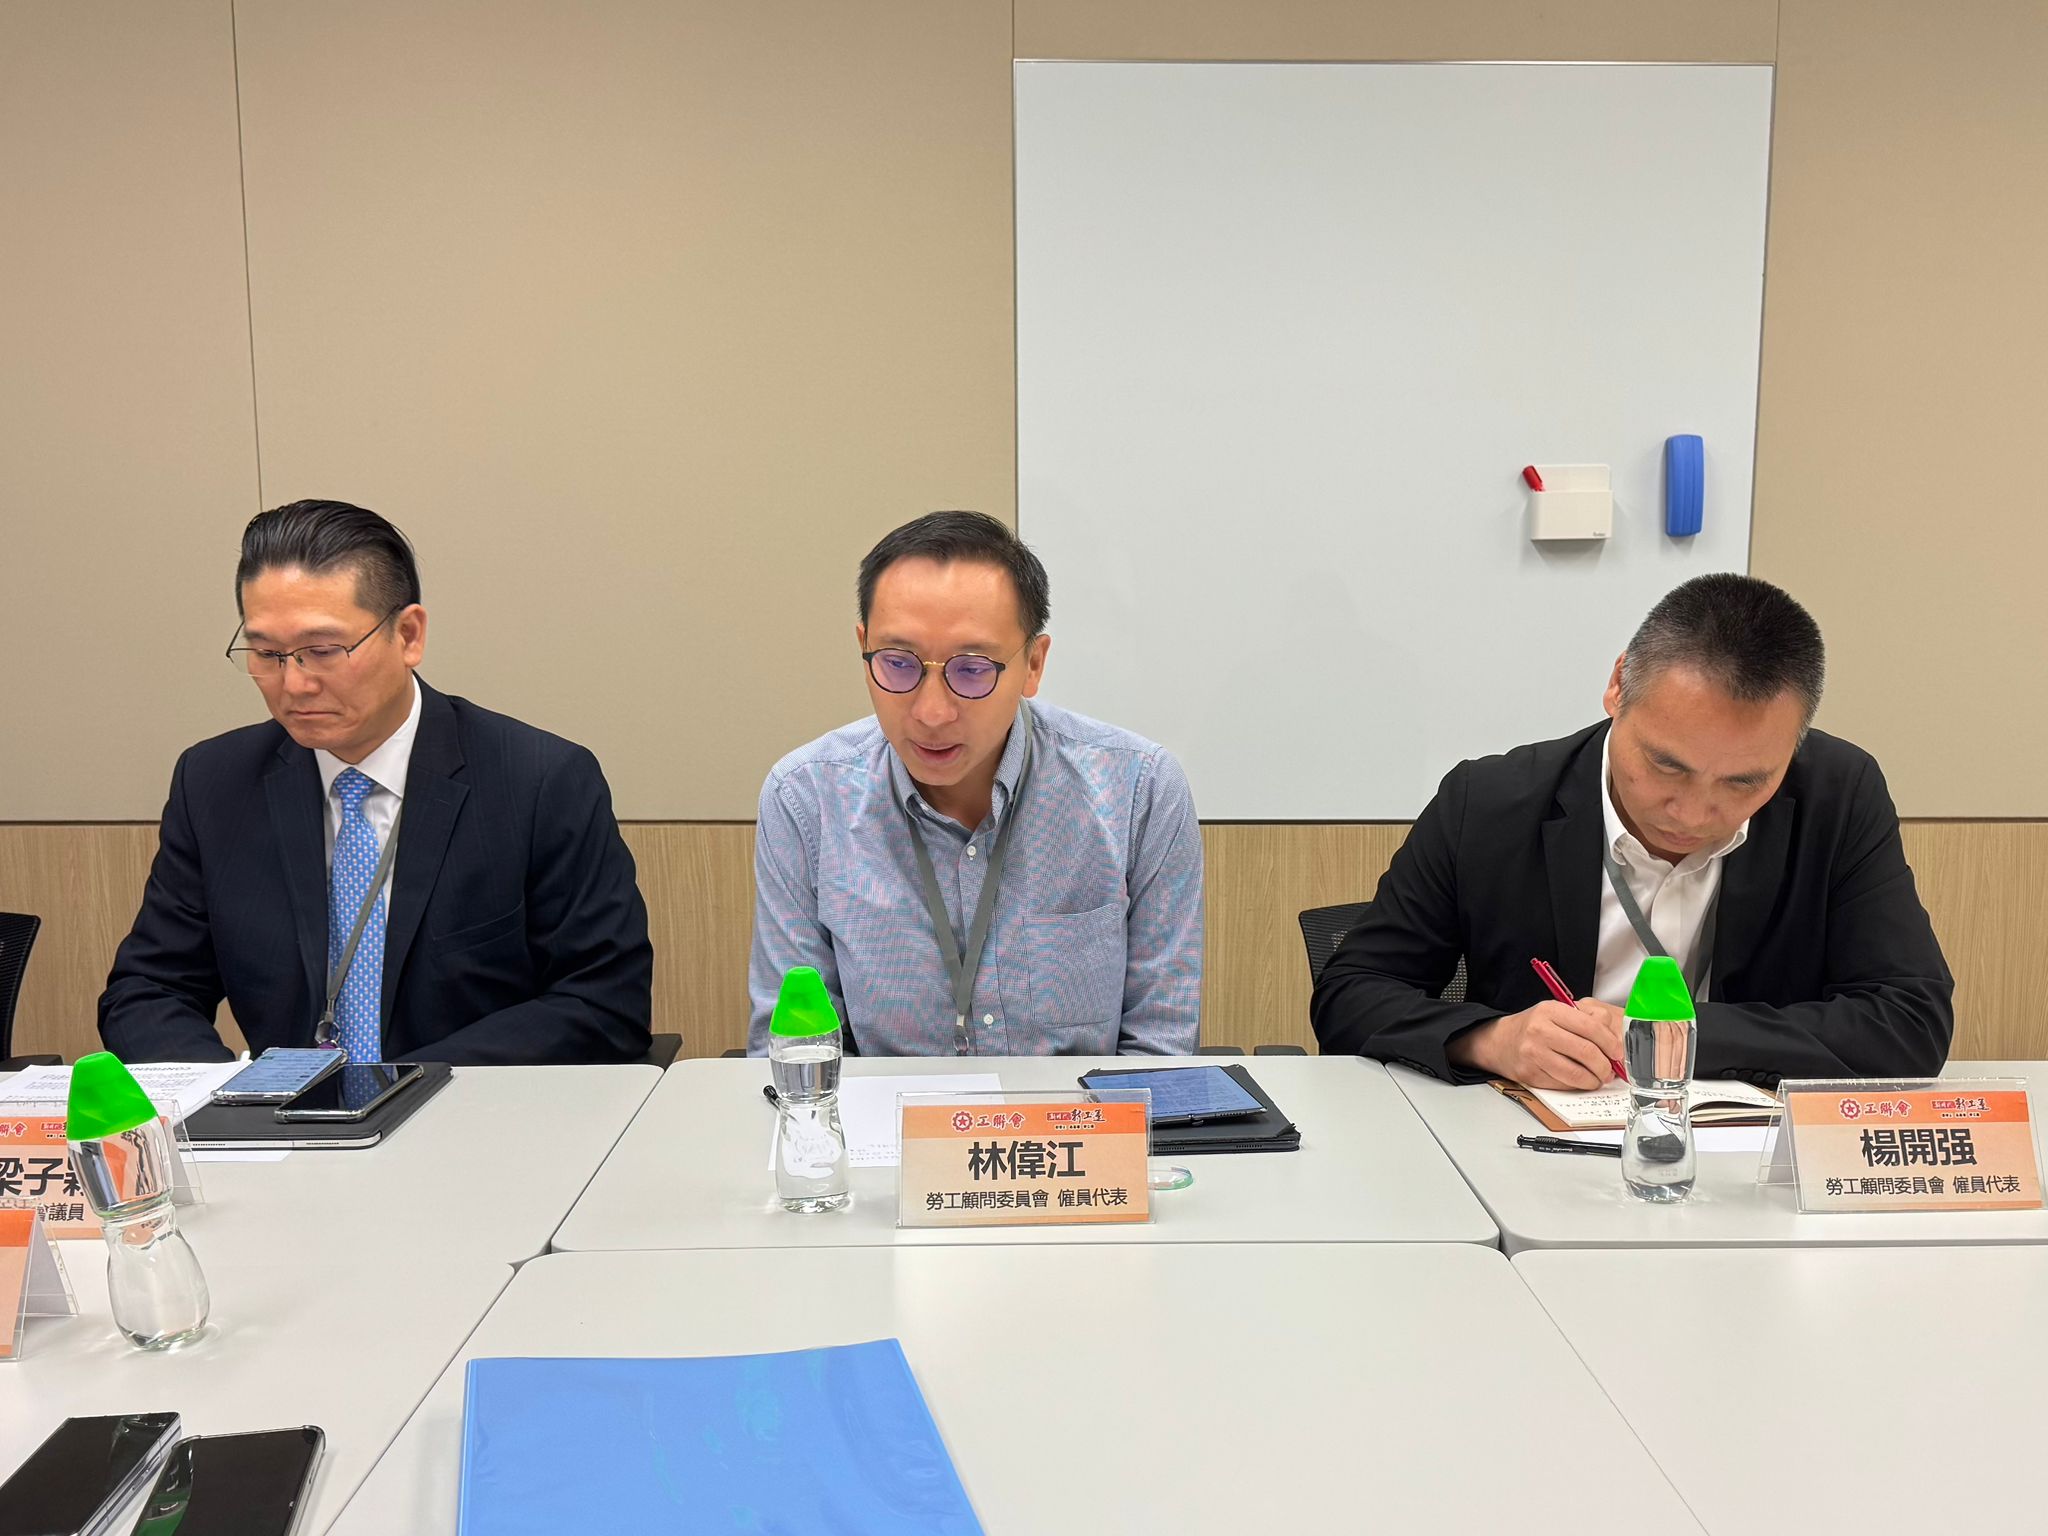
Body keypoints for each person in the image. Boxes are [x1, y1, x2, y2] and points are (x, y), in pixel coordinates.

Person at [1312, 573, 1953, 1087]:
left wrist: (1671, 1038)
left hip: (1746, 1153)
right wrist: (1489, 1040)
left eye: (1744, 782)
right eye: (1666, 765)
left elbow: (1910, 1022)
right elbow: (1351, 992)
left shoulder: (1837, 795)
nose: (1693, 813)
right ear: (1618, 685)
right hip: (1522, 1143)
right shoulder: (1491, 801)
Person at [100, 499, 653, 1064]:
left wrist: (399, 1087)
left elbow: (604, 1004)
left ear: (408, 635)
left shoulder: (538, 781)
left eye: (322, 651)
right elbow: (148, 990)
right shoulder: (215, 783)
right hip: (285, 1119)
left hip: (474, 1108)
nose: (294, 684)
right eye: (267, 653)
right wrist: (232, 1096)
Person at [748, 511, 1202, 1056]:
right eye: (898, 663)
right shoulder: (805, 799)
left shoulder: (1138, 790)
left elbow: (1160, 1049)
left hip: (1080, 1114)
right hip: (886, 1113)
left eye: (972, 669)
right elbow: (797, 1054)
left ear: (1033, 664)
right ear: (863, 647)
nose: (932, 713)